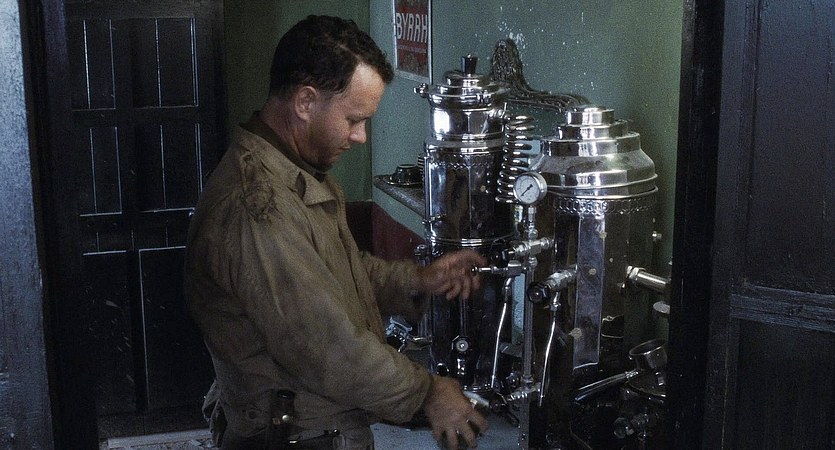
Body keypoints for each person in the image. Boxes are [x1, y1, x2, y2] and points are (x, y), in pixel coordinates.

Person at [184, 15, 489, 450]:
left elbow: (337, 273)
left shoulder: (295, 171)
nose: (360, 136)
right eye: (353, 119)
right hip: (295, 438)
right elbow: (324, 346)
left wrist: (418, 280)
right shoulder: (258, 207)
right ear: (305, 102)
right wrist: (428, 392)